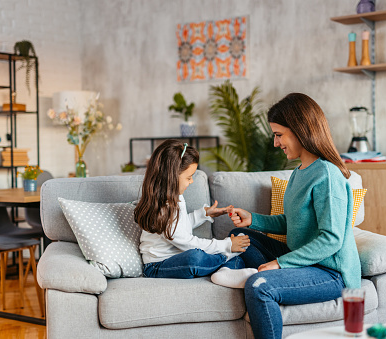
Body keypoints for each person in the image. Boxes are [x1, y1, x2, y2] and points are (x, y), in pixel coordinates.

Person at [228, 93, 361, 339]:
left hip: (329, 272)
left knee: (259, 287)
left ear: (300, 130)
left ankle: (256, 276)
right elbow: (291, 223)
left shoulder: (327, 175)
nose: (276, 143)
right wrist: (253, 219)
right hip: (301, 259)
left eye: (279, 135)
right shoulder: (300, 172)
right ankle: (246, 271)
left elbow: (331, 239)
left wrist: (280, 264)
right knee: (238, 235)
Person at [134, 139, 257, 288]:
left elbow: (180, 226)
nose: (191, 181)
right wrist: (226, 245)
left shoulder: (175, 197)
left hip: (176, 257)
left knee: (234, 257)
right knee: (195, 257)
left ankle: (225, 270)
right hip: (158, 266)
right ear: (171, 176)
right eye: (188, 177)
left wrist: (204, 214)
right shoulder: (163, 207)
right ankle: (226, 259)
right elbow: (186, 242)